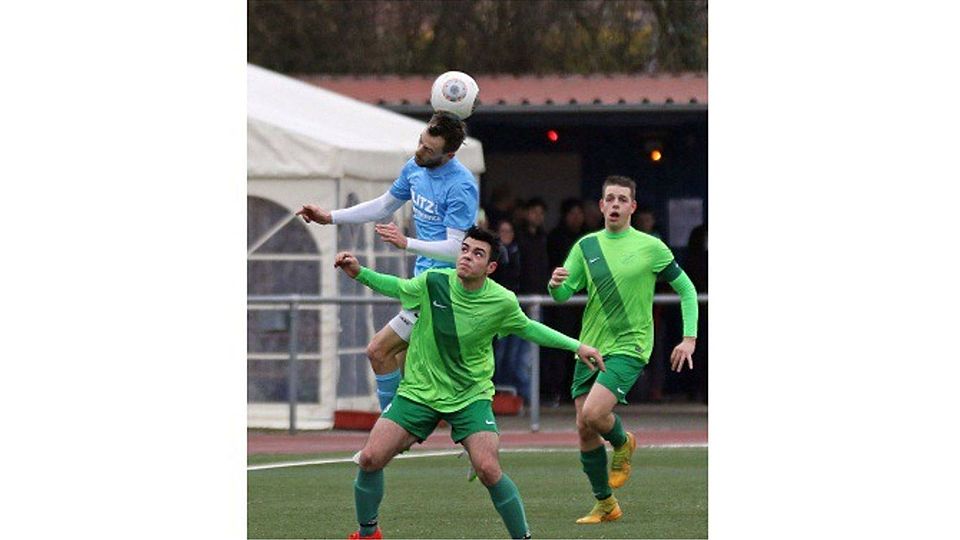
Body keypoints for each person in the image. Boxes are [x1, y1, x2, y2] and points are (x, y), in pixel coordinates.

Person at [335, 227, 605, 539]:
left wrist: (577, 346)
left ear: (490, 268)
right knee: (369, 458)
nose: (467, 256)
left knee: (488, 469)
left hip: (470, 396)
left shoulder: (502, 301)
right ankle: (368, 534)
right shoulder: (433, 281)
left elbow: (531, 329)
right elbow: (396, 287)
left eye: (478, 254)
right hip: (420, 392)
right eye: (464, 249)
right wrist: (359, 272)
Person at [296, 112, 478, 411]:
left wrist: (407, 243)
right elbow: (383, 206)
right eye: (420, 142)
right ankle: (400, 426)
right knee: (396, 361)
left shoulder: (461, 185)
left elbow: (458, 250)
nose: (419, 150)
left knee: (382, 351)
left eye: (428, 150)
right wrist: (330, 217)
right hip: (420, 284)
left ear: (450, 154)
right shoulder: (415, 168)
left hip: (445, 289)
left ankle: (393, 426)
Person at [547, 175, 699, 525]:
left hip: (631, 345)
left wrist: (688, 337)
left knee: (594, 414)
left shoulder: (651, 247)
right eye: (609, 199)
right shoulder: (586, 246)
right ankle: (605, 504)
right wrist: (555, 285)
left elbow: (688, 290)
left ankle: (622, 441)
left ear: (632, 206)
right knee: (584, 429)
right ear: (601, 206)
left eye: (622, 199)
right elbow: (563, 294)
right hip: (590, 347)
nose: (615, 205)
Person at [542, 198, 588, 407]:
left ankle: (577, 390)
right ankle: (554, 391)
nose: (577, 217)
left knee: (581, 347)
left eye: (580, 213)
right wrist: (554, 286)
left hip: (582, 303)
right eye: (573, 213)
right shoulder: (555, 237)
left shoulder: (589, 238)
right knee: (559, 348)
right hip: (560, 304)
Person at [490, 219, 528, 405]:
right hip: (498, 311)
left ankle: (517, 394)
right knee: (500, 353)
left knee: (516, 356)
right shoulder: (493, 255)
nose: (507, 235)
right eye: (503, 231)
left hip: (519, 307)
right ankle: (495, 390)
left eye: (509, 231)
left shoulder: (519, 251)